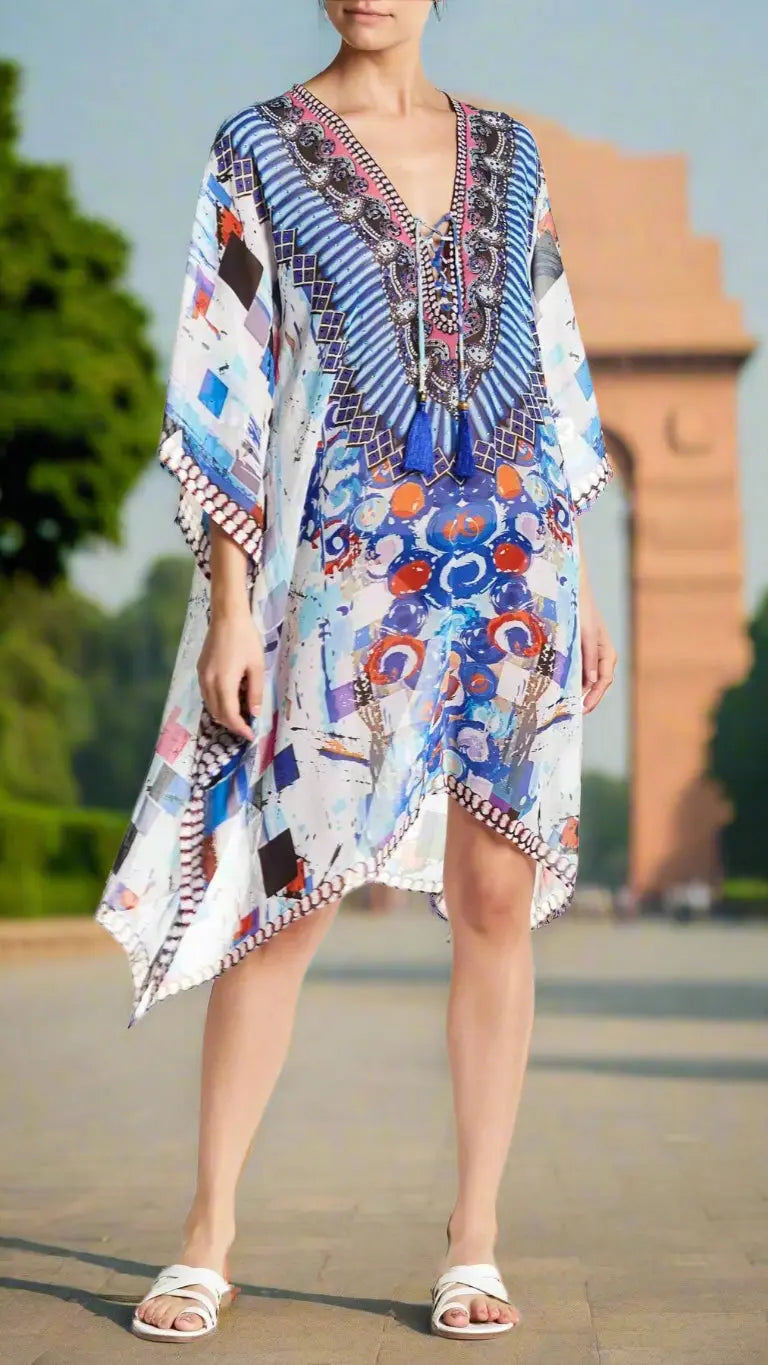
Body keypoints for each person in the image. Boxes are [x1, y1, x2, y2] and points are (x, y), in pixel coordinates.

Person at [97, 0, 617, 1343]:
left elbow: (550, 370)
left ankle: (475, 1236)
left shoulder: (511, 156)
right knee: (287, 887)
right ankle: (208, 1230)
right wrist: (227, 608)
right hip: (342, 562)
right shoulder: (258, 146)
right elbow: (227, 369)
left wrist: (585, 585)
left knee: (496, 886)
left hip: (516, 564)